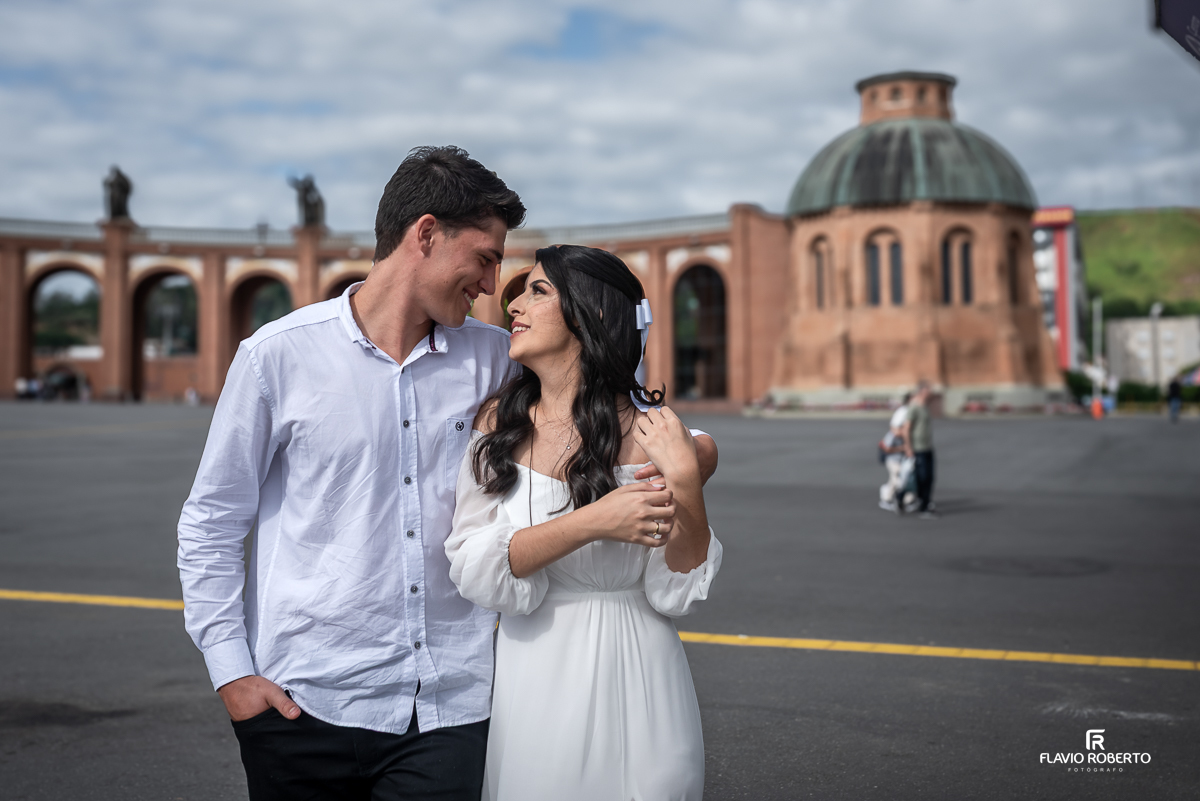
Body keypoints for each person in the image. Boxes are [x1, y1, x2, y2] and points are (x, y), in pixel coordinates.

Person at [177, 146, 717, 801]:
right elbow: (212, 520)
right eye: (487, 258)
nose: (495, 286)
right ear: (426, 235)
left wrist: (692, 457)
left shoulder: (500, 359)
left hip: (451, 709)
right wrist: (231, 671)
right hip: (303, 702)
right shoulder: (276, 358)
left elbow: (614, 395)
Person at [445, 245, 720, 801]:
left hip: (646, 670)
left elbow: (677, 593)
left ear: (592, 315)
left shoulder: (662, 438)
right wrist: (594, 520)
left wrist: (687, 485)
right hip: (537, 671)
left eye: (538, 291)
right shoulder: (499, 424)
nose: (513, 305)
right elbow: (473, 565)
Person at [902, 381, 937, 519]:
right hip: (918, 448)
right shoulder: (914, 407)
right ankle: (921, 505)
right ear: (922, 391)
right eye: (929, 390)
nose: (931, 393)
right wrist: (908, 448)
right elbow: (906, 429)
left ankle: (924, 503)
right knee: (921, 477)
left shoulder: (925, 406)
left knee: (928, 477)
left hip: (927, 447)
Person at [879, 392, 913, 513]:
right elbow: (886, 447)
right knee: (897, 480)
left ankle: (906, 501)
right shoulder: (893, 435)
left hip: (901, 459)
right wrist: (903, 448)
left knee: (904, 480)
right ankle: (887, 499)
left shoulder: (905, 435)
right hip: (893, 460)